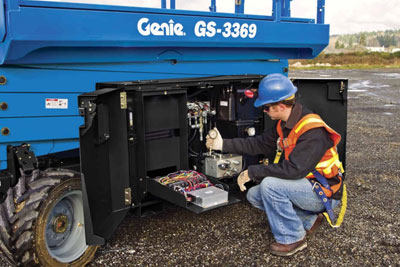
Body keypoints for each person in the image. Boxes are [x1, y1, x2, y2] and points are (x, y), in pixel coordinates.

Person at [206, 73, 344, 256]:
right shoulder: (286, 124)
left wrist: (253, 172)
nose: (264, 111)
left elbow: (293, 170)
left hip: (324, 192)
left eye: (266, 107)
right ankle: (308, 221)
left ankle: (293, 239)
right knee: (255, 195)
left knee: (270, 186)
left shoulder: (312, 131)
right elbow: (259, 143)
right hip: (306, 185)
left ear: (280, 106)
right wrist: (223, 144)